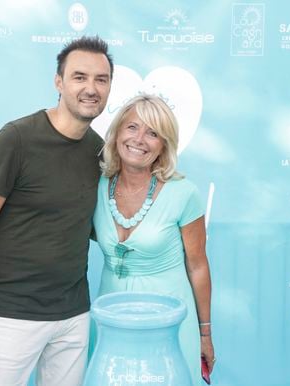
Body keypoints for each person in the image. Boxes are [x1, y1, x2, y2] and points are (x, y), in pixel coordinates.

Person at [0, 36, 113, 386]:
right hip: (11, 317)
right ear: (59, 82)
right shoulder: (16, 139)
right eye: (79, 77)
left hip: (74, 316)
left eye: (101, 80)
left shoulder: (99, 151)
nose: (91, 88)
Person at [92, 94, 215, 385]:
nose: (139, 139)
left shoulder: (184, 193)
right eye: (132, 127)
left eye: (153, 133)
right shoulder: (95, 186)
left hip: (168, 322)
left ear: (163, 145)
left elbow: (198, 266)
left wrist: (205, 334)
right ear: (117, 132)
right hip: (111, 316)